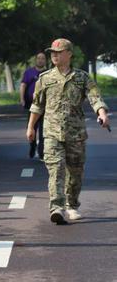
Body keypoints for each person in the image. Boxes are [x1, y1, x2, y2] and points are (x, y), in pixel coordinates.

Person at [27, 38, 109, 224]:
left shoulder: (81, 77)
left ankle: (71, 205)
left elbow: (95, 97)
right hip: (51, 132)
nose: (54, 55)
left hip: (76, 134)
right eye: (52, 52)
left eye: (59, 52)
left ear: (69, 54)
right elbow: (37, 105)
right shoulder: (45, 79)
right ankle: (56, 207)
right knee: (55, 169)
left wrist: (102, 113)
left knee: (75, 172)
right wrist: (31, 127)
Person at [21, 52, 47, 159]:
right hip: (32, 106)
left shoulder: (48, 73)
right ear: (36, 60)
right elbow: (23, 85)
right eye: (38, 58)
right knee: (31, 128)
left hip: (45, 106)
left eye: (43, 58)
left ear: (45, 60)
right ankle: (32, 145)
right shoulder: (29, 72)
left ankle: (41, 152)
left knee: (43, 130)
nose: (40, 60)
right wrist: (22, 99)